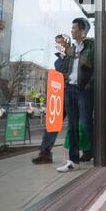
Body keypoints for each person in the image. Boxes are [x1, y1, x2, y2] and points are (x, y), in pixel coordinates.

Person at [57, 18, 94, 172]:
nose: (71, 30)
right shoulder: (71, 49)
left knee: (86, 124)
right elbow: (62, 68)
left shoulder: (91, 46)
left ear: (82, 30)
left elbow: (95, 67)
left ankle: (98, 153)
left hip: (83, 90)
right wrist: (62, 56)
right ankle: (73, 160)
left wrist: (89, 85)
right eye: (72, 27)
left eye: (74, 28)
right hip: (70, 89)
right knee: (72, 127)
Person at [32, 34, 71, 164]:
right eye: (56, 43)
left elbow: (75, 74)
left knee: (77, 124)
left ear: (66, 43)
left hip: (72, 94)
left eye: (60, 43)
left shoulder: (73, 56)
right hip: (59, 96)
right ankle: (45, 153)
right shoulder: (57, 61)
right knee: (52, 124)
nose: (58, 46)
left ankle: (87, 152)